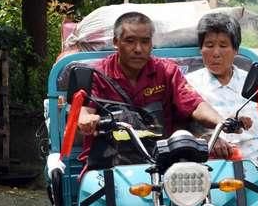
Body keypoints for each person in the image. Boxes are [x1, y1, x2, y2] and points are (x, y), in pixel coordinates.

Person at [76, 11, 238, 170]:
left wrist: (221, 121)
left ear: (151, 44)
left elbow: (194, 104)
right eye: (130, 41)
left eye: (145, 42)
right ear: (116, 42)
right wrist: (86, 120)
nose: (138, 49)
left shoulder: (167, 72)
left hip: (159, 164)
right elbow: (84, 111)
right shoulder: (97, 74)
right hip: (106, 166)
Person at [185, 13, 258, 176]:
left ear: (236, 50)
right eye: (209, 45)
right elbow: (178, 130)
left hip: (255, 169)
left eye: (223, 45)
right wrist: (206, 140)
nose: (216, 53)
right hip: (206, 174)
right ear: (201, 49)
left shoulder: (254, 84)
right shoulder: (188, 85)